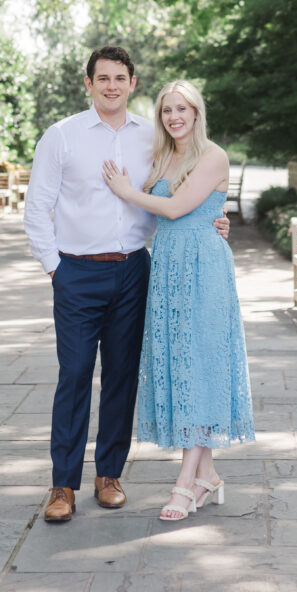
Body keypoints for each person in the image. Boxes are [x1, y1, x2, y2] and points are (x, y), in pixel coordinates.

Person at [24, 47, 230, 522]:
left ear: (133, 83)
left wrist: (216, 222)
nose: (112, 85)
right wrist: (55, 267)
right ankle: (62, 485)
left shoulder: (152, 138)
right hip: (76, 271)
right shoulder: (62, 136)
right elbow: (37, 208)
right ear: (88, 83)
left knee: (122, 376)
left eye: (120, 77)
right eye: (103, 78)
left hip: (136, 270)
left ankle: (110, 474)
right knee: (74, 376)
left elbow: (184, 194)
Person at [103, 78, 255, 521]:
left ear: (196, 113)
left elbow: (173, 208)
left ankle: (185, 483)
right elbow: (167, 218)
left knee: (200, 364)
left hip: (203, 269)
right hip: (168, 266)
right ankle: (208, 475)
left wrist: (127, 191)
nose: (173, 117)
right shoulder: (166, 155)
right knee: (181, 362)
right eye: (166, 110)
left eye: (181, 109)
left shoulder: (213, 155)